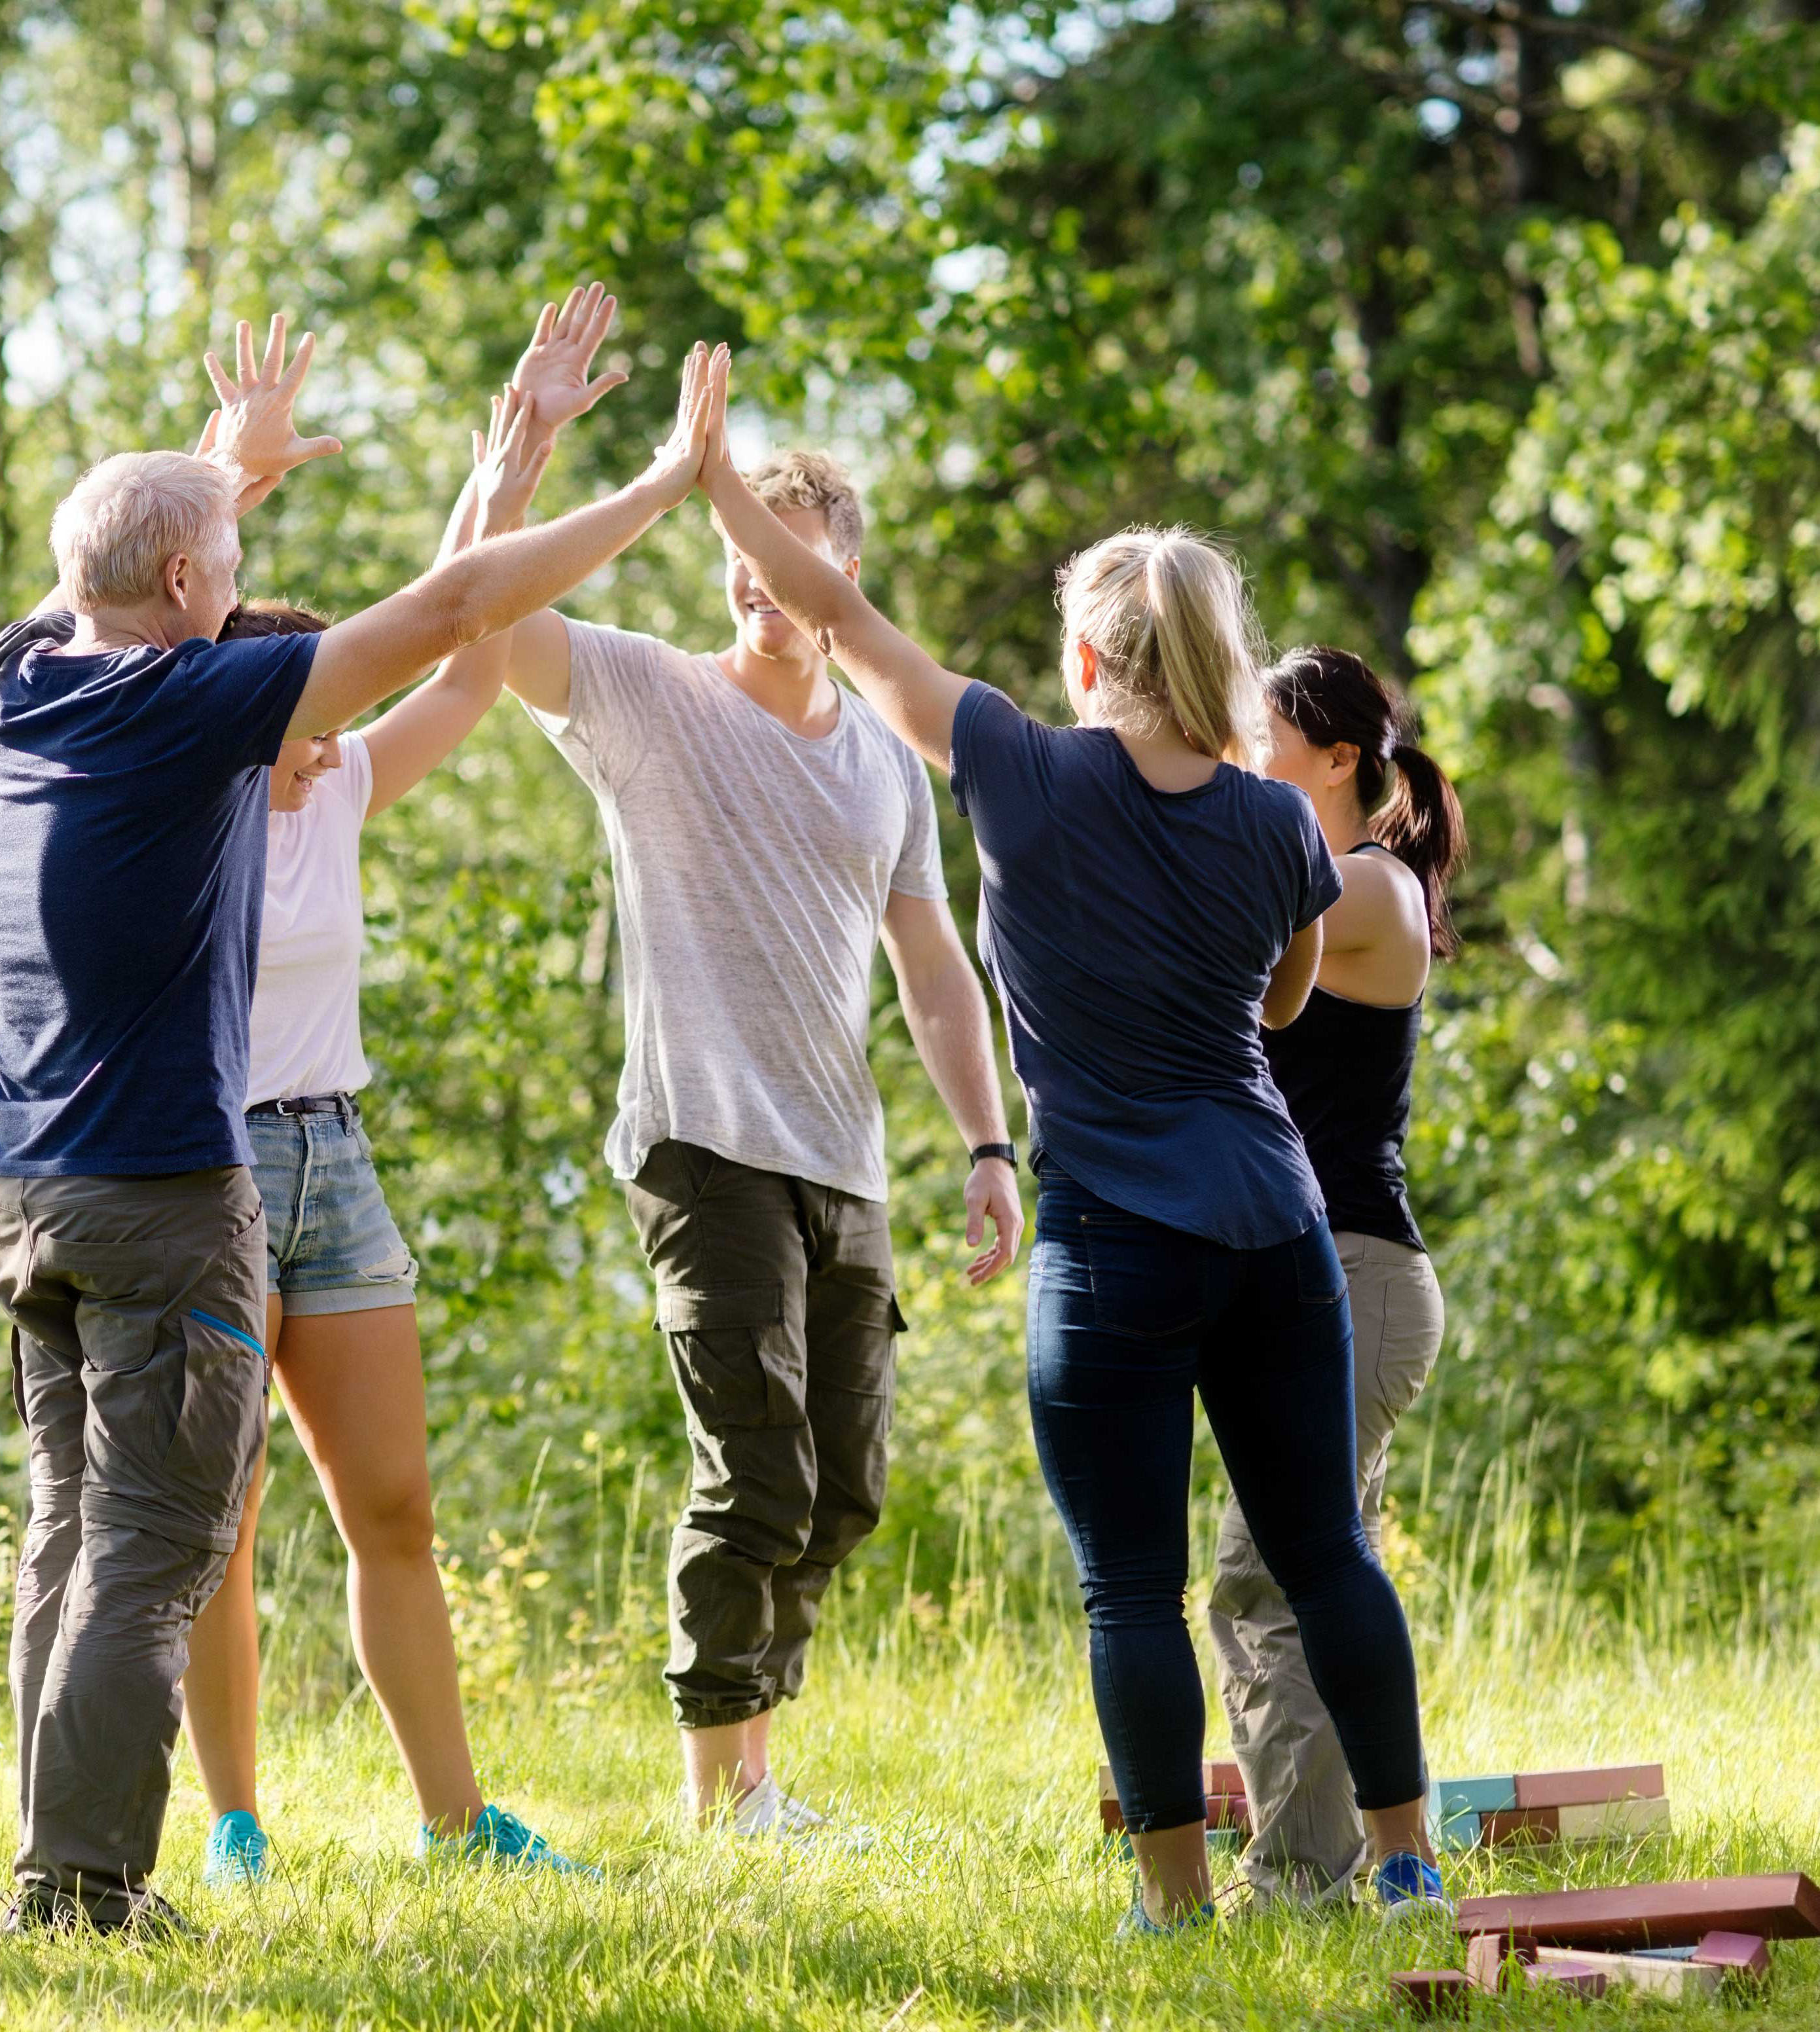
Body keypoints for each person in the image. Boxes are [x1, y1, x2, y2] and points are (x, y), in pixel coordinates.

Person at [0, 309, 725, 1934]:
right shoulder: (192, 711)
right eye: (224, 556)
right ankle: (84, 1887)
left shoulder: (12, 682)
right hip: (165, 1186)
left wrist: (221, 466)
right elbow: (459, 608)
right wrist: (665, 480)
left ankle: (52, 1861)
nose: (237, 578)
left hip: (30, 1188)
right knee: (160, 1549)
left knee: (74, 1525)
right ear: (190, 595)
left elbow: (115, 563)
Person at [691, 348, 1446, 1931]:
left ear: (1090, 658)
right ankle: (1402, 1864)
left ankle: (1172, 1902)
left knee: (1131, 1585)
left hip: (1112, 1235)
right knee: (1326, 1550)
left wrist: (707, 475)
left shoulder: (1017, 771)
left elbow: (834, 621)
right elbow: (1286, 1001)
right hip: (1276, 1222)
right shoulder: (1268, 818)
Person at [500, 416, 1023, 1838]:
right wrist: (556, 465)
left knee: (841, 1488)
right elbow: (485, 611)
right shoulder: (647, 695)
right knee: (755, 1467)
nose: (755, 584)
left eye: (783, 562)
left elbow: (929, 966)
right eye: (735, 558)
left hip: (841, 1157)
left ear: (841, 573)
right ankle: (716, 1796)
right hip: (700, 1139)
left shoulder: (883, 764)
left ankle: (755, 1778)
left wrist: (986, 1143)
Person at [183, 302, 640, 1883]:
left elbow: (454, 645)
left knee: (395, 1504)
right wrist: (216, 478)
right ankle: (236, 1823)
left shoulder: (347, 780)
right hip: (208, 1176)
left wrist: (512, 466)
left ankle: (458, 1821)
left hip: (334, 1161)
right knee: (216, 1526)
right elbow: (130, 621)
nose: (326, 737)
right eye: (300, 713)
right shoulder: (181, 808)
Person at [1207, 645, 1467, 1907]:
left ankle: (1297, 1876)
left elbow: (1224, 963)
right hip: (1331, 1272)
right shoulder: (1338, 878)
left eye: (1255, 732)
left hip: (1354, 1272)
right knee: (1314, 1564)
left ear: (1333, 756)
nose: (1237, 751)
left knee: (1267, 1570)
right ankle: (1379, 1854)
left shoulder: (1367, 889)